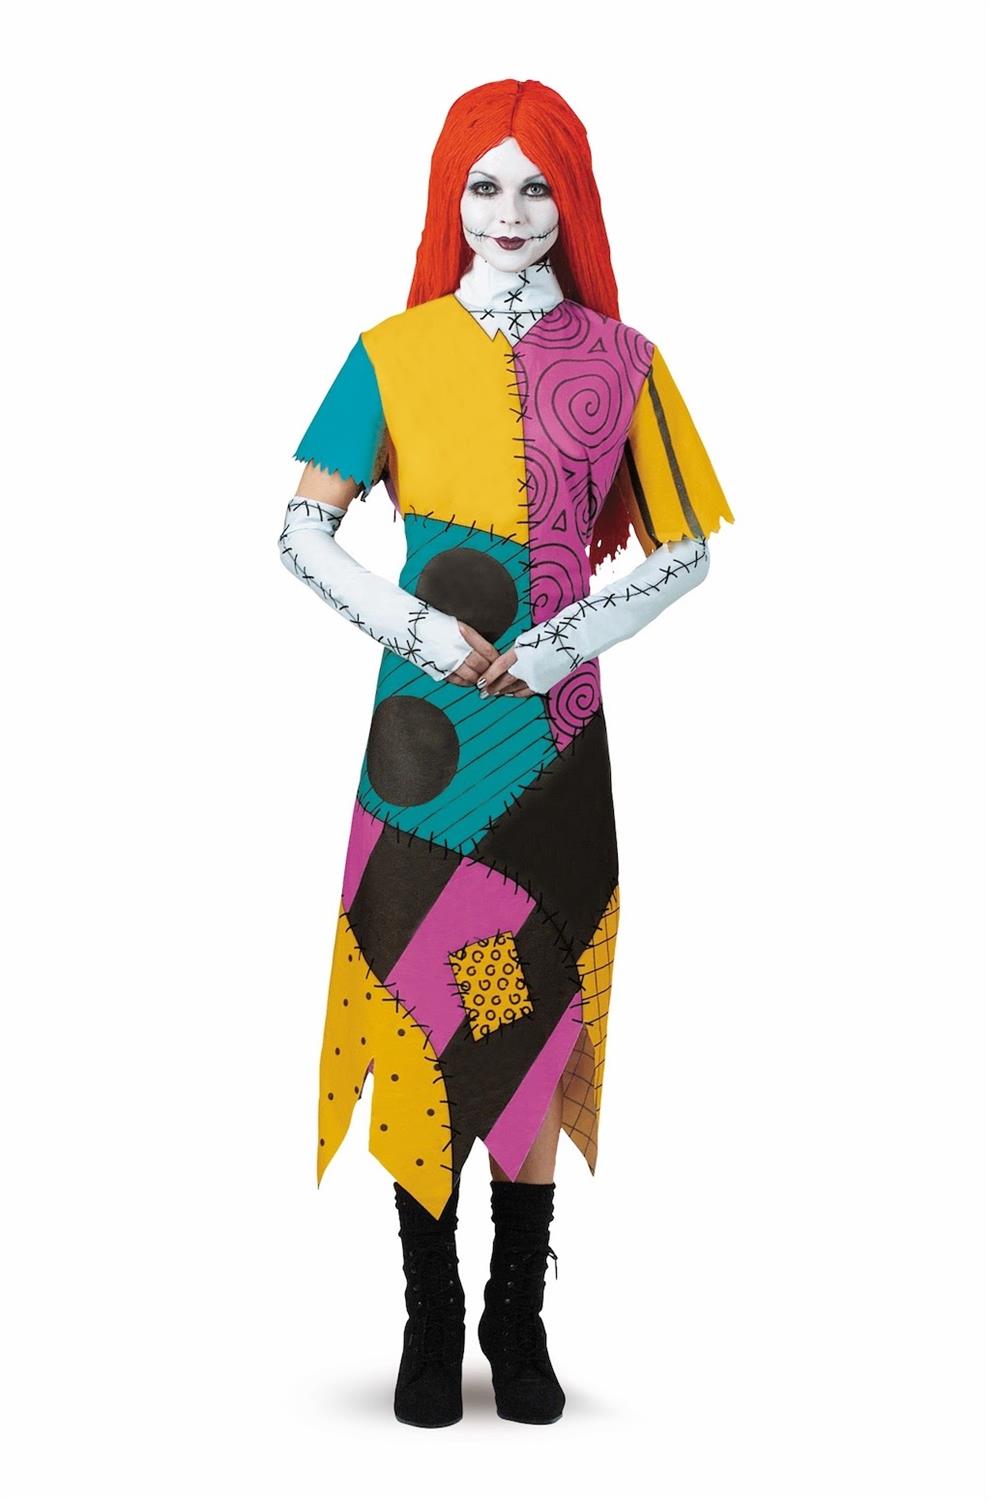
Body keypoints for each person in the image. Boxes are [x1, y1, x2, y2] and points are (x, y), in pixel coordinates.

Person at [278, 78, 734, 1428]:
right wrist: (417, 628)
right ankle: (428, 1320)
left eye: (537, 185)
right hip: (422, 743)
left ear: (571, 201)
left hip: (551, 730)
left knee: (539, 1001)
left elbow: (688, 550)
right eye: (484, 184)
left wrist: (555, 647)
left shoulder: (622, 359)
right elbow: (299, 532)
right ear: (450, 199)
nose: (511, 211)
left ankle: (515, 1319)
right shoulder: (392, 352)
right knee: (422, 1001)